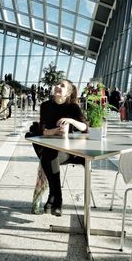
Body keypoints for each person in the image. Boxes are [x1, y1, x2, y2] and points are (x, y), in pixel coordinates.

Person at [32, 79, 88, 217]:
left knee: (47, 156)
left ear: (68, 93)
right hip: (51, 150)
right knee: (49, 153)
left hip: (68, 151)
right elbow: (43, 129)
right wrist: (56, 131)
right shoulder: (45, 106)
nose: (57, 86)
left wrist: (71, 120)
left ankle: (54, 195)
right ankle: (58, 199)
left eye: (62, 86)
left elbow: (85, 128)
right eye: (57, 84)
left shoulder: (73, 108)